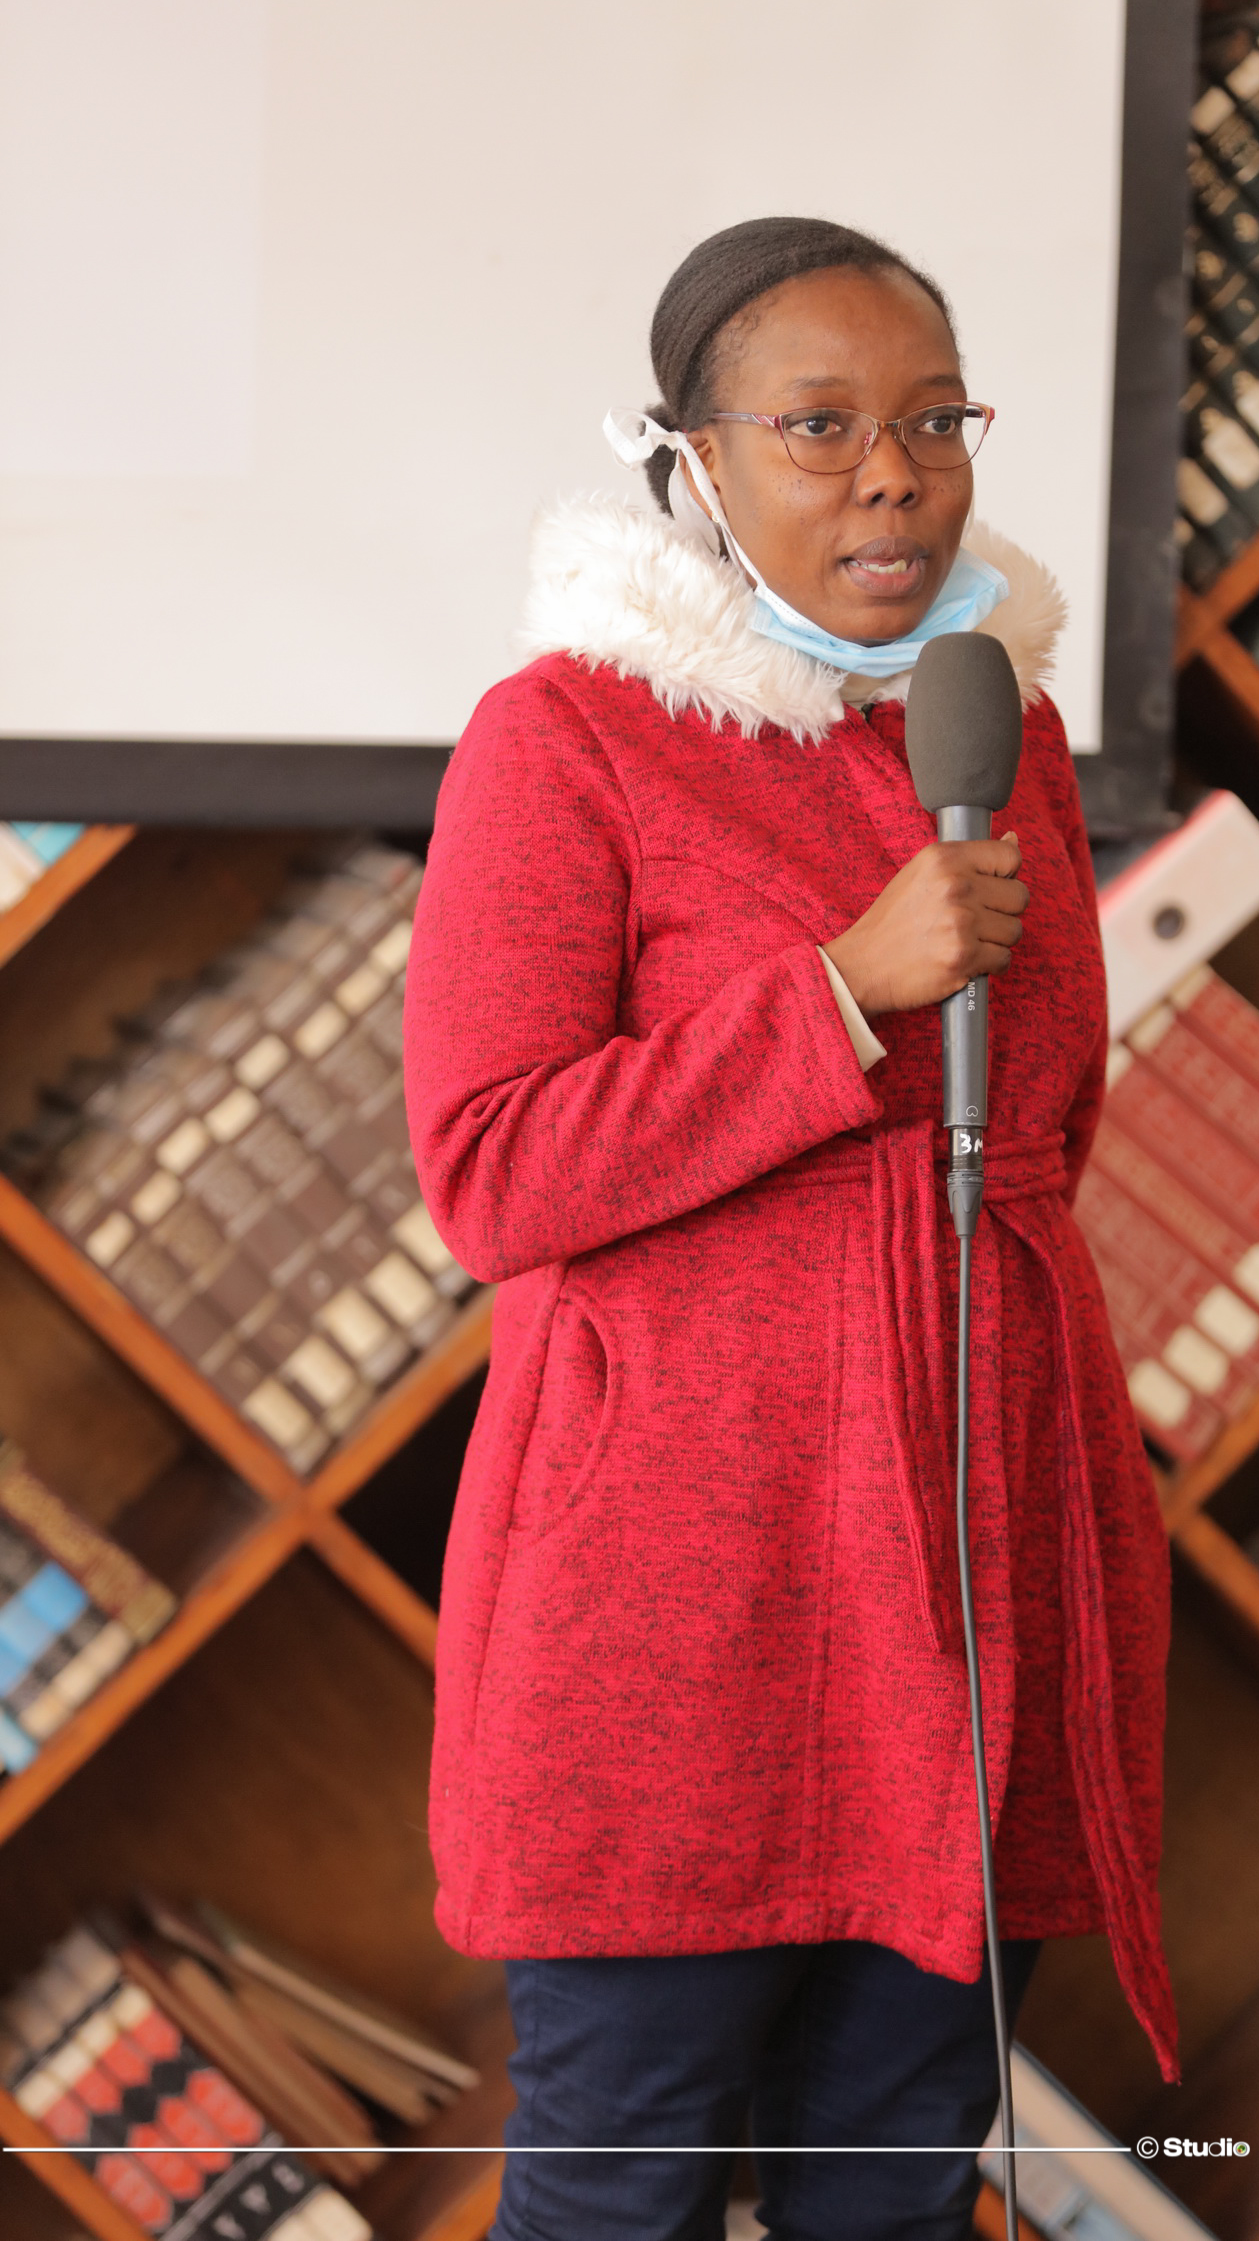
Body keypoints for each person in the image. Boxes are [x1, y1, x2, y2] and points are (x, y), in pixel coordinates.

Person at [404, 215, 1179, 2241]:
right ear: (695, 458)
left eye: (933, 422)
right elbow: (491, 1168)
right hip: (679, 1599)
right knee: (622, 2182)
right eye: (819, 427)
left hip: (971, 1555)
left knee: (899, 2185)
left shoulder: (996, 734)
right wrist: (835, 997)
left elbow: (1049, 1125)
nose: (891, 477)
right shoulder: (565, 738)